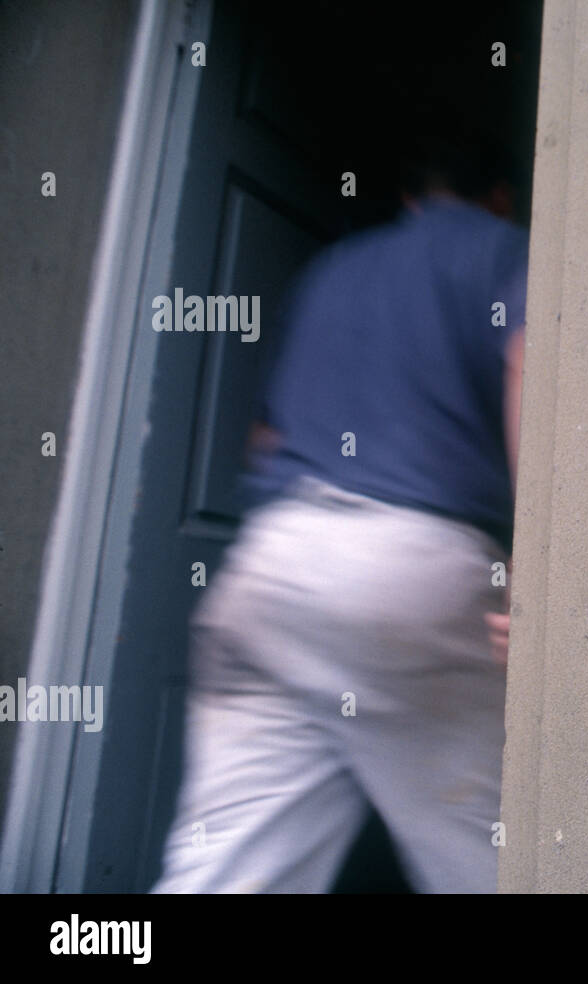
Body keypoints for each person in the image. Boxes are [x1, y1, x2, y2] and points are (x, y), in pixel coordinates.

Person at [151, 135, 527, 894]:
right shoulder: (507, 249)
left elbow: (268, 436)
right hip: (409, 571)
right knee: (496, 858)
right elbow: (528, 363)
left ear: (412, 198)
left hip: (271, 567)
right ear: (499, 196)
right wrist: (537, 571)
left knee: (225, 874)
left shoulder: (333, 269)